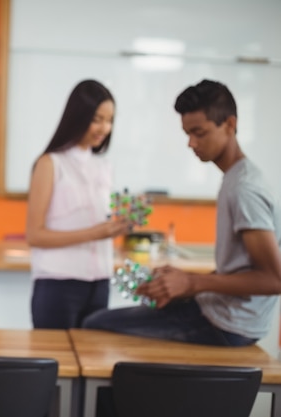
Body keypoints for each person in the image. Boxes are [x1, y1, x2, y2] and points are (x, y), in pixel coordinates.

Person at [82, 79, 281, 346]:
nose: (191, 143)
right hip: (222, 313)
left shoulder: (243, 188)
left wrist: (192, 283)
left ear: (230, 125)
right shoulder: (237, 177)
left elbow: (273, 278)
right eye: (187, 133)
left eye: (199, 133)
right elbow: (240, 270)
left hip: (225, 324)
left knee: (94, 326)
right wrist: (183, 286)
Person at [26, 79, 132, 329]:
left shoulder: (104, 167)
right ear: (78, 117)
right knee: (58, 364)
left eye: (110, 120)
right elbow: (35, 235)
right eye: (97, 119)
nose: (104, 128)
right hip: (58, 284)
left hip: (100, 283)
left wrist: (119, 228)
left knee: (92, 365)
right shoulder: (50, 163)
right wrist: (97, 233)